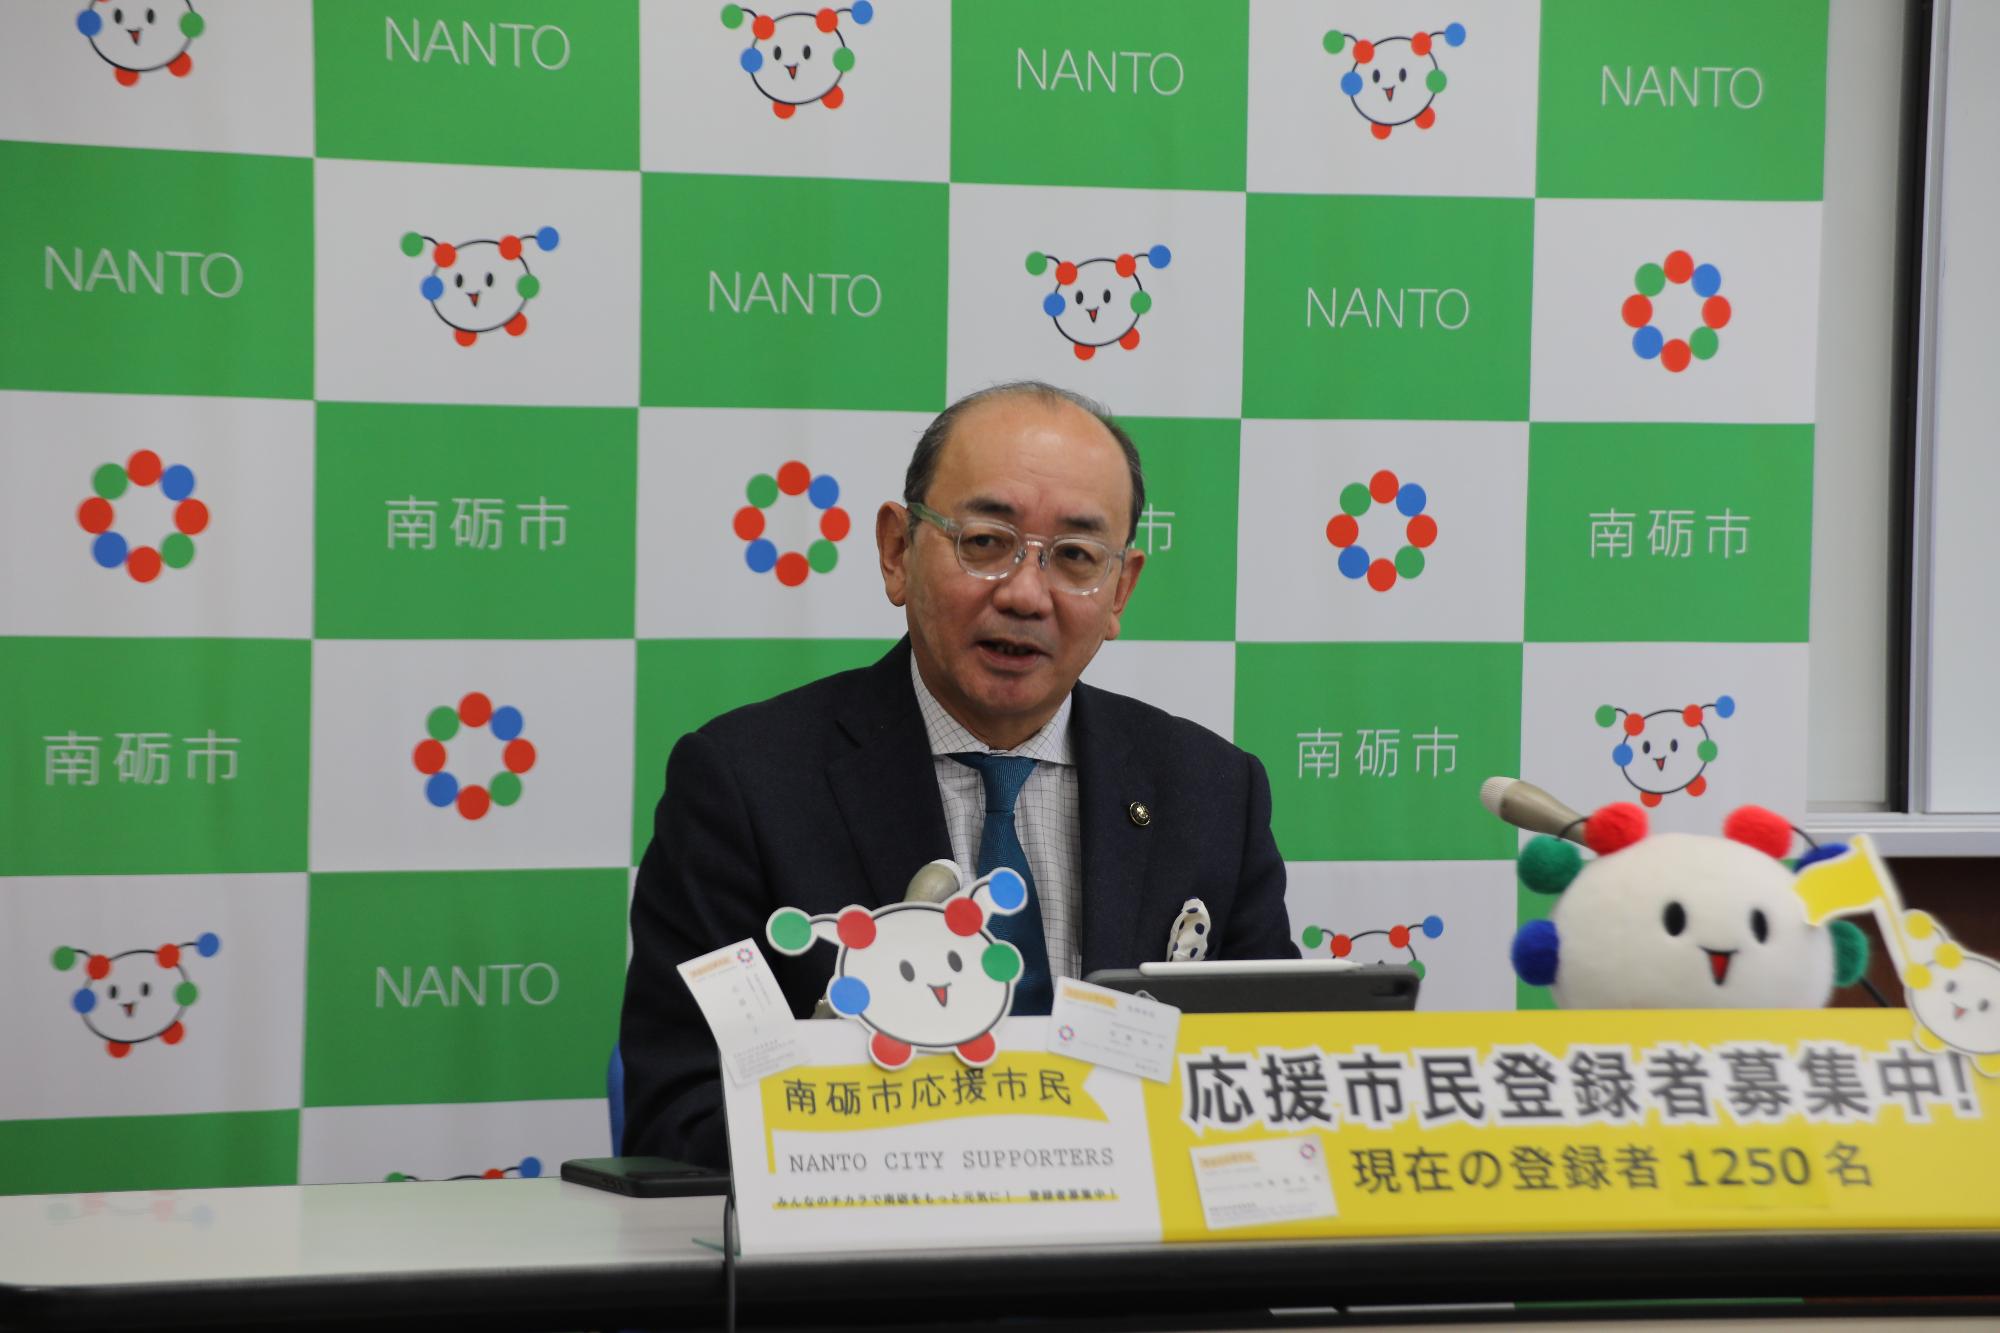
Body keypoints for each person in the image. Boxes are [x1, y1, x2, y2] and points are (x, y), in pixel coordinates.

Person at [620, 381, 1296, 1166]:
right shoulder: (746, 785)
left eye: (1075, 557)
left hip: (1135, 1239)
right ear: (897, 551)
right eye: (985, 542)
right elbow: (681, 1115)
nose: (1025, 594)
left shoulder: (1211, 792)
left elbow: (1277, 1077)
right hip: (879, 1235)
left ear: (1120, 589)